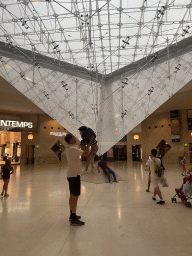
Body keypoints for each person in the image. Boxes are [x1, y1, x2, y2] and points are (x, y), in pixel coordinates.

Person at [65, 133, 94, 226]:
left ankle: (72, 214)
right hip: (74, 175)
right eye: (73, 138)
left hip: (71, 174)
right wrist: (89, 143)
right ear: (70, 140)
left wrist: (82, 148)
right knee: (75, 196)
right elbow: (86, 154)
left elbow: (80, 153)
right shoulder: (72, 149)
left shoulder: (70, 148)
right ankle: (73, 218)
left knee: (72, 195)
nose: (75, 139)